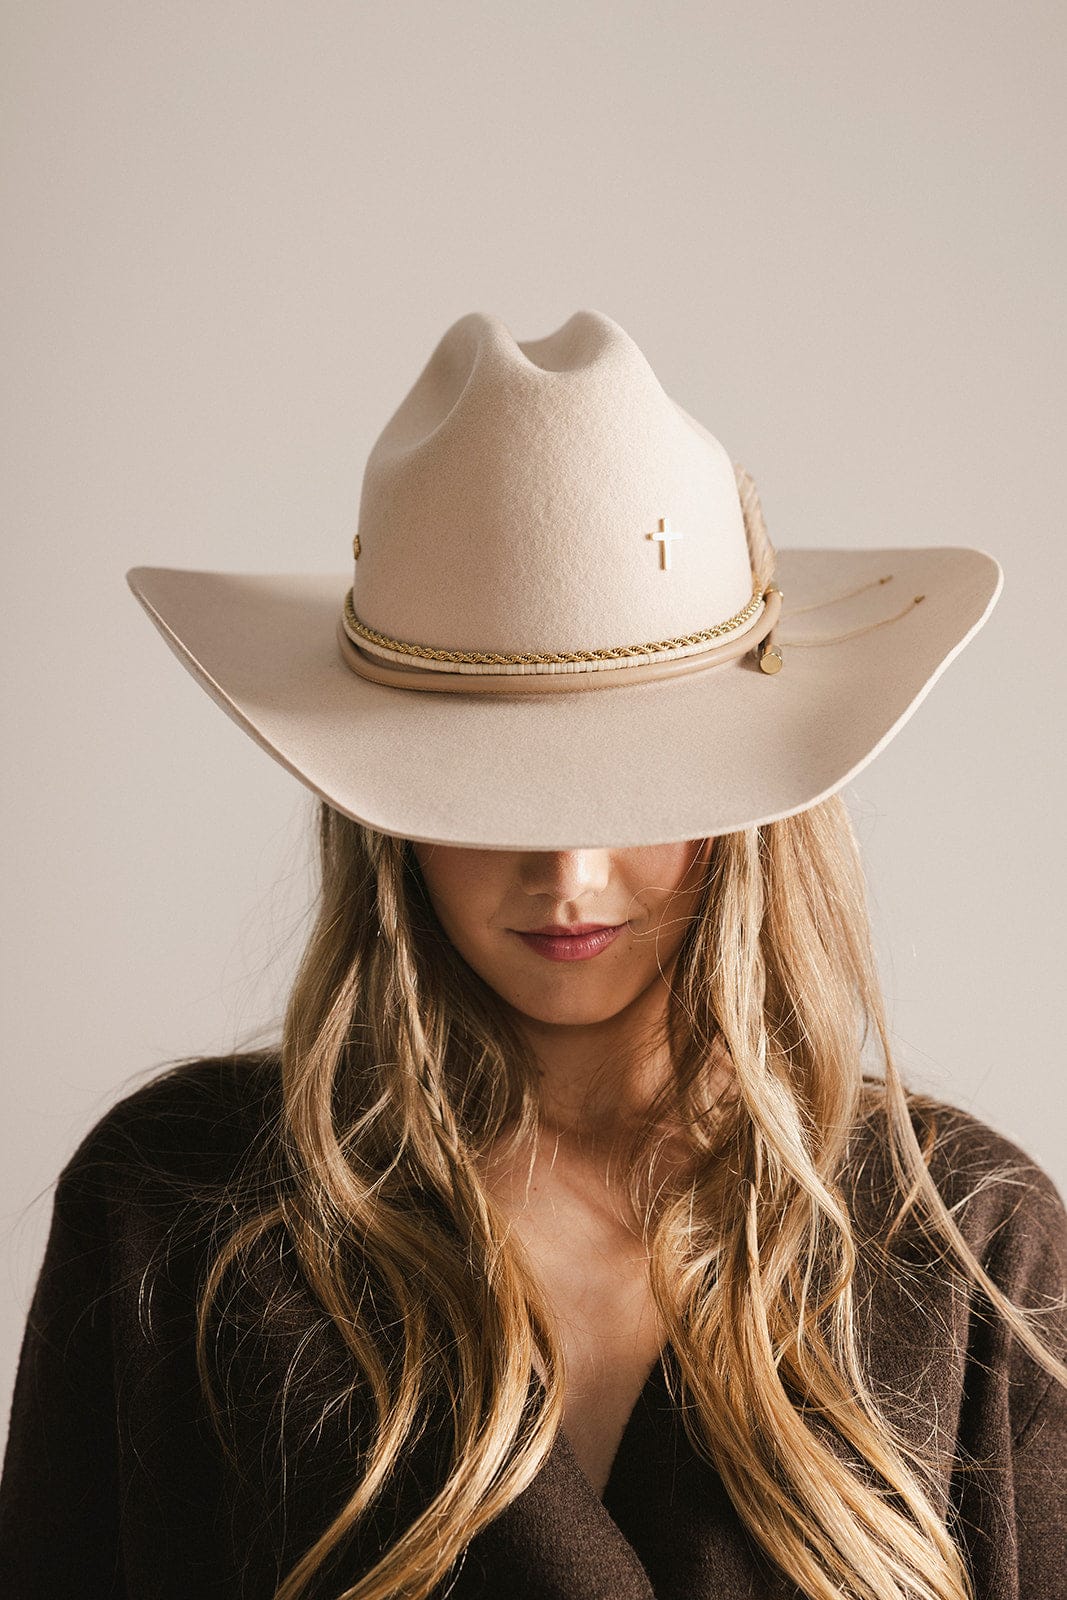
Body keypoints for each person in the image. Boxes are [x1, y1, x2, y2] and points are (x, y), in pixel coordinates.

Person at [1, 309, 1064, 1600]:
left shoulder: (971, 1260)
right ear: (382, 805)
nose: (569, 871)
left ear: (752, 798)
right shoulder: (170, 1224)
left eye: (639, 777)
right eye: (491, 786)